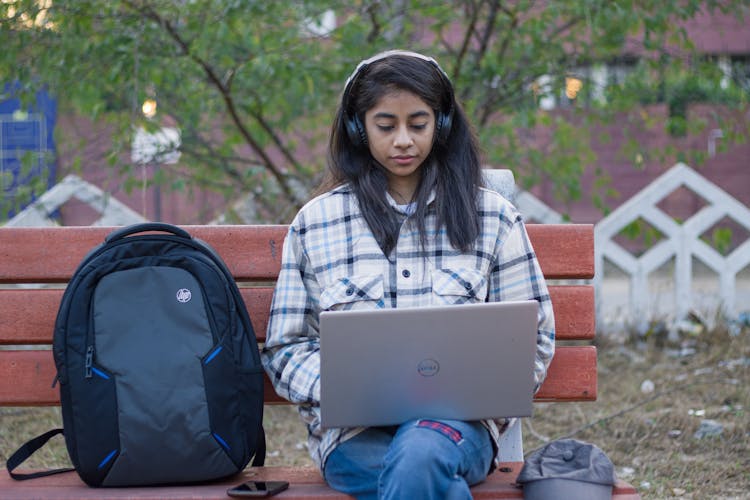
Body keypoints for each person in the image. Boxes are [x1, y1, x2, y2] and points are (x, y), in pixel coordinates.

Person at [261, 49, 555, 500]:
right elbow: (286, 347)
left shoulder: (493, 218)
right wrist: (343, 390)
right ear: (359, 128)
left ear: (442, 125)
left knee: (421, 452)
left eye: (418, 124)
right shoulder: (316, 223)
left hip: (459, 431)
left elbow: (533, 338)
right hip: (354, 439)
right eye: (386, 125)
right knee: (419, 470)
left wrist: (484, 394)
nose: (403, 140)